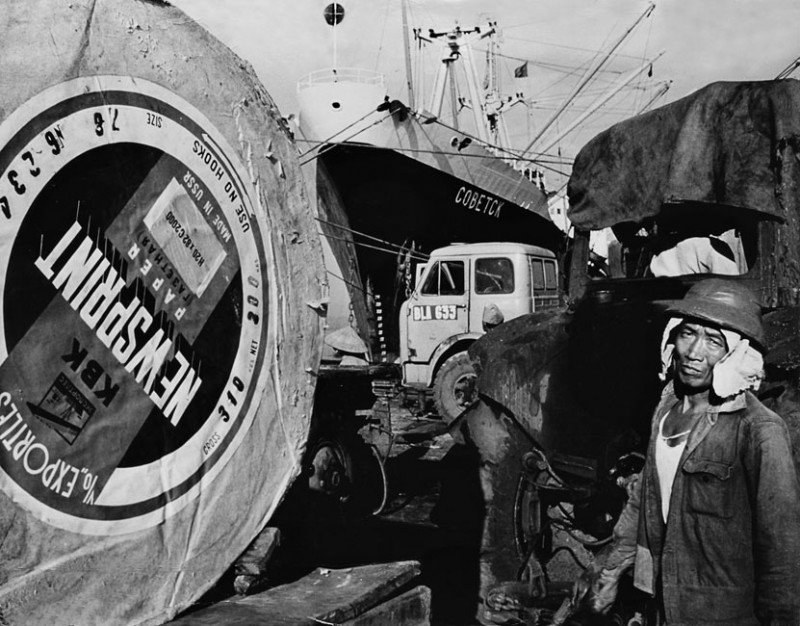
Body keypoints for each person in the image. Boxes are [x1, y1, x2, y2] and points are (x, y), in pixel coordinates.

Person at [577, 278, 800, 625]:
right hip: (661, 604)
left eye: (713, 341)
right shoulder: (666, 407)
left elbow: (781, 551)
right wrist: (610, 571)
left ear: (737, 353)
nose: (694, 352)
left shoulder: (758, 430)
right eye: (687, 333)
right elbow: (643, 501)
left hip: (720, 614)